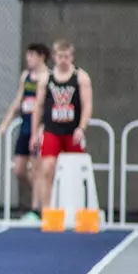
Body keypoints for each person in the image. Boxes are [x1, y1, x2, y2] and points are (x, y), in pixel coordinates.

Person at [30, 38, 94, 213]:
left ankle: (79, 209)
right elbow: (38, 107)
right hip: (52, 130)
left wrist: (81, 128)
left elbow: (87, 105)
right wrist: (35, 133)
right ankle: (48, 211)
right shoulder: (46, 79)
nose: (63, 60)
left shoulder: (81, 77)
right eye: (60, 56)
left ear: (71, 57)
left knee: (76, 171)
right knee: (47, 168)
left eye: (66, 56)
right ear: (55, 57)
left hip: (72, 131)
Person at [0, 41, 50, 221]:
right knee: (19, 169)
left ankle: (37, 209)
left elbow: (41, 106)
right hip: (25, 125)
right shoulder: (26, 76)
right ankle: (41, 197)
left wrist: (37, 132)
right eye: (28, 55)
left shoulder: (46, 78)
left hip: (39, 127)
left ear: (41, 56)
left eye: (32, 55)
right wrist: (5, 123)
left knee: (37, 169)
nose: (29, 59)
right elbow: (18, 101)